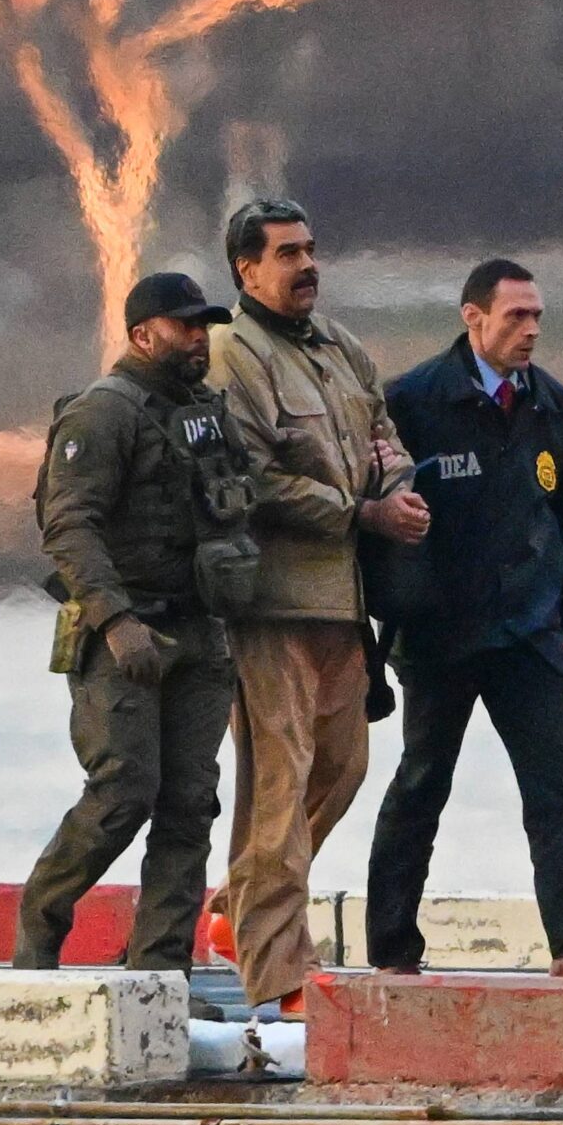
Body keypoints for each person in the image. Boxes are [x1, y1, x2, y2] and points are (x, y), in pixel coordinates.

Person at [365, 260, 563, 978]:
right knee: (422, 785)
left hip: (528, 632)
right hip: (439, 633)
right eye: (515, 316)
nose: (530, 330)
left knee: (557, 787)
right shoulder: (411, 401)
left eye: (536, 317)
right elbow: (374, 522)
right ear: (473, 317)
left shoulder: (553, 406)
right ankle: (392, 951)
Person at [203, 198, 427, 1017]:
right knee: (279, 778)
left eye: (310, 249)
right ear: (247, 269)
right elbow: (252, 476)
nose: (307, 266)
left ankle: (237, 908)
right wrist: (359, 510)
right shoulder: (234, 354)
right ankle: (279, 975)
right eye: (287, 254)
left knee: (344, 766)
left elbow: (385, 437)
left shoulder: (339, 348)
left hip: (344, 599)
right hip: (272, 603)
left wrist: (395, 486)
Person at [15, 273, 259, 978]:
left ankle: (160, 972)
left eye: (204, 327)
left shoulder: (206, 413)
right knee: (123, 792)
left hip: (201, 632)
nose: (199, 339)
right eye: (185, 327)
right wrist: (117, 622)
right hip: (125, 636)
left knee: (189, 806)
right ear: (143, 335)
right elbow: (68, 526)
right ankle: (39, 931)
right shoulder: (103, 413)